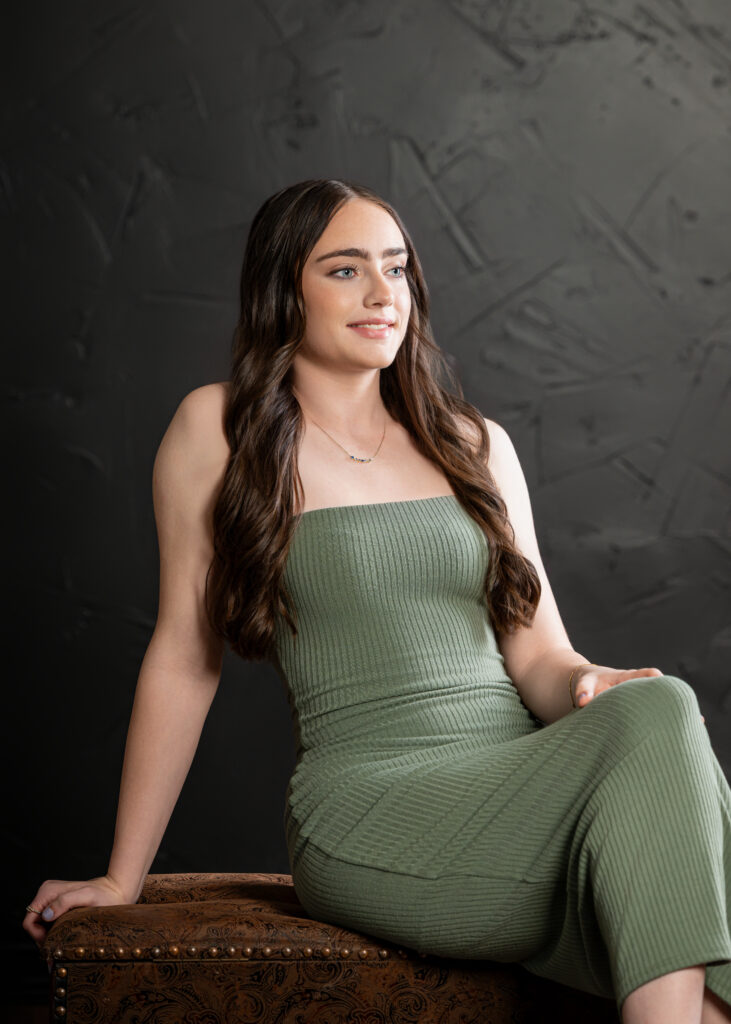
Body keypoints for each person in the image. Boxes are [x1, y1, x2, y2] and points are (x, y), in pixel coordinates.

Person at [23, 179, 731, 1023]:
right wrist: (120, 877)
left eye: (395, 269)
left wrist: (591, 683)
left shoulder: (474, 444)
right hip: (372, 807)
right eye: (345, 270)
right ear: (284, 289)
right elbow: (184, 654)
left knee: (658, 706)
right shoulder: (218, 431)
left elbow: (540, 657)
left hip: (518, 792)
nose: (381, 294)